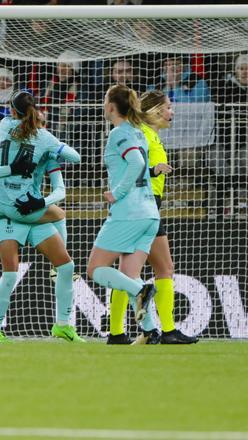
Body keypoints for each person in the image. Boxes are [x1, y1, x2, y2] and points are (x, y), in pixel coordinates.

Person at [107, 90, 198, 345]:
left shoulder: (152, 137)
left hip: (149, 206)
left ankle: (123, 333)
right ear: (155, 110)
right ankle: (157, 331)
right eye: (168, 107)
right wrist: (153, 172)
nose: (172, 112)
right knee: (140, 271)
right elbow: (130, 170)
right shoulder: (141, 135)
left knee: (156, 268)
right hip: (139, 206)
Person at [0, 122, 81, 343]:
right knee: (10, 274)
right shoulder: (4, 143)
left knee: (66, 266)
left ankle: (63, 326)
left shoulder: (47, 152)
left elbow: (60, 189)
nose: (39, 129)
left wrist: (41, 201)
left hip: (34, 214)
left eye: (43, 125)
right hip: (9, 212)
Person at [0, 91, 80, 279]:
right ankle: (57, 269)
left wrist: (11, 168)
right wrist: (57, 148)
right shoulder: (45, 142)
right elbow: (74, 160)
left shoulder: (3, 127)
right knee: (59, 214)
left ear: (12, 111)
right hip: (20, 204)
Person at [86, 85, 158, 327]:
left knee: (95, 269)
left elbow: (136, 162)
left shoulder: (119, 133)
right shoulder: (139, 132)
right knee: (127, 275)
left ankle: (141, 290)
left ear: (111, 106)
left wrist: (117, 193)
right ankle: (150, 332)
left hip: (130, 211)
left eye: (105, 99)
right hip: (149, 213)